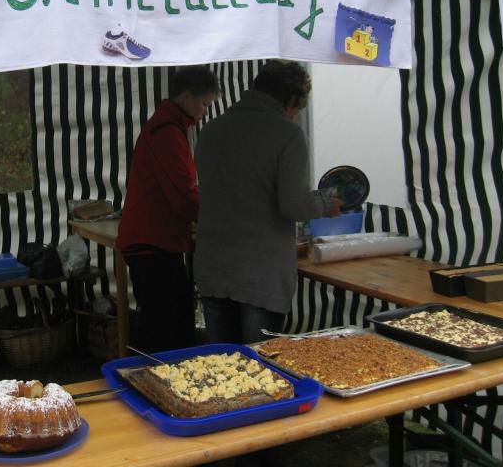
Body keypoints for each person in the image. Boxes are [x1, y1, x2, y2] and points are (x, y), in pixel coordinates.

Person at [193, 60, 342, 345]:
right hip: (261, 274)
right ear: (292, 100)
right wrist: (324, 203)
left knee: (220, 363)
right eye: (299, 108)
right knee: (260, 364)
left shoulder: (212, 129)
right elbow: (293, 204)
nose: (296, 115)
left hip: (214, 266)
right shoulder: (288, 134)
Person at [116, 65, 220, 352]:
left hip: (152, 240)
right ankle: (156, 374)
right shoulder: (167, 132)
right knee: (168, 328)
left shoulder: (167, 126)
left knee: (166, 321)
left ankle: (156, 370)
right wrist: (216, 220)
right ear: (186, 97)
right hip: (152, 242)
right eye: (204, 104)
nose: (205, 112)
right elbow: (183, 194)